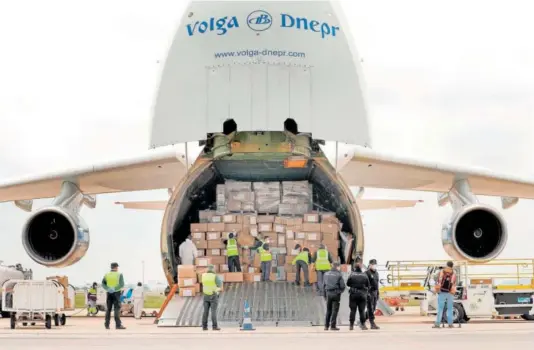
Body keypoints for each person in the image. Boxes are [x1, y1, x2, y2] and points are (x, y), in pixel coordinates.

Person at [347, 257, 370, 330]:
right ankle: (363, 325)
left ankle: (351, 325)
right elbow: (368, 285)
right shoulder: (364, 275)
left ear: (354, 267)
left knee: (353, 310)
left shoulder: (352, 274)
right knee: (362, 311)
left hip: (353, 295)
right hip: (362, 295)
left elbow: (348, 284)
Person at [102, 262, 126, 330]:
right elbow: (121, 284)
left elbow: (103, 284)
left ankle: (106, 325)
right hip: (116, 293)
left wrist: (108, 289)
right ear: (116, 267)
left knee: (108, 309)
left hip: (109, 293)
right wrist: (114, 289)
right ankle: (118, 325)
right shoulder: (119, 274)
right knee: (116, 309)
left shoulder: (106, 274)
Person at [433, 261, 457, 328]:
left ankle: (437, 323)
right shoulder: (454, 273)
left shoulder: (442, 271)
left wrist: (437, 290)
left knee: (440, 308)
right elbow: (454, 282)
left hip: (442, 292)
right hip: (450, 293)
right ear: (452, 266)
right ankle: (450, 324)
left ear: (447, 265)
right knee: (450, 308)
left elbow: (437, 280)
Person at [322, 262, 345, 331]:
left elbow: (323, 286)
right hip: (335, 294)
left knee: (328, 310)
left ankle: (326, 326)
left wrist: (325, 295)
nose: (339, 268)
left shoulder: (326, 274)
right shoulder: (339, 275)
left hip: (328, 293)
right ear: (337, 267)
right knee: (334, 311)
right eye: (339, 267)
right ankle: (333, 326)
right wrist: (339, 292)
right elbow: (343, 286)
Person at [202, 264, 223, 331]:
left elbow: (204, 284)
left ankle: (204, 327)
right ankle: (214, 326)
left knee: (205, 312)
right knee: (213, 311)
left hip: (205, 295)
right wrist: (217, 290)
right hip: (213, 295)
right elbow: (220, 286)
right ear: (213, 269)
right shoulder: (215, 276)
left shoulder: (203, 276)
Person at [365, 258, 380, 329]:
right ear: (370, 265)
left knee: (373, 309)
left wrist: (378, 293)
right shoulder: (367, 273)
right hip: (369, 293)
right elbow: (364, 284)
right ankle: (372, 323)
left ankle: (361, 320)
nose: (374, 266)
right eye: (372, 264)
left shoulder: (376, 273)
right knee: (370, 308)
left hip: (375, 293)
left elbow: (377, 284)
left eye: (375, 264)